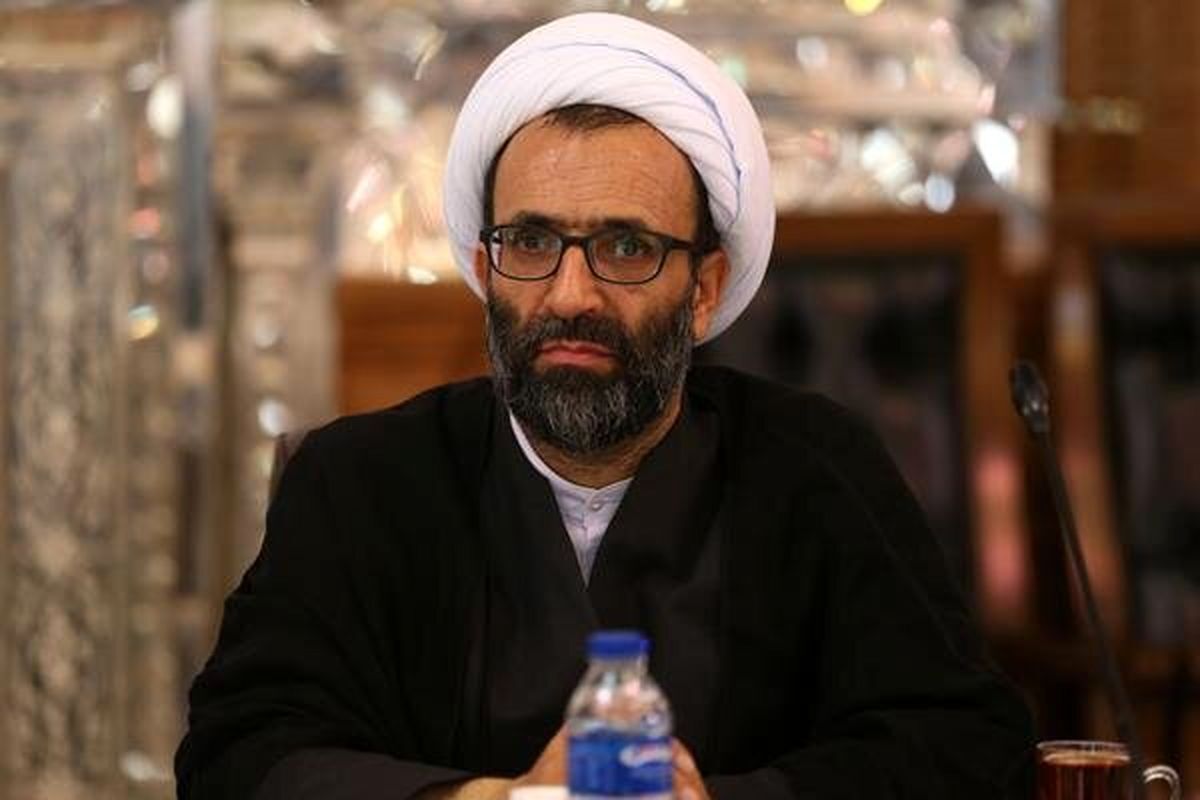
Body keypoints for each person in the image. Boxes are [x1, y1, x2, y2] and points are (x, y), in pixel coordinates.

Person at [176, 12, 1033, 800]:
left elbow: (962, 746)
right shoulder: (362, 483)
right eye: (532, 241)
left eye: (625, 246)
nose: (570, 294)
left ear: (703, 289)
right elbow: (239, 755)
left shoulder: (814, 470)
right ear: (484, 267)